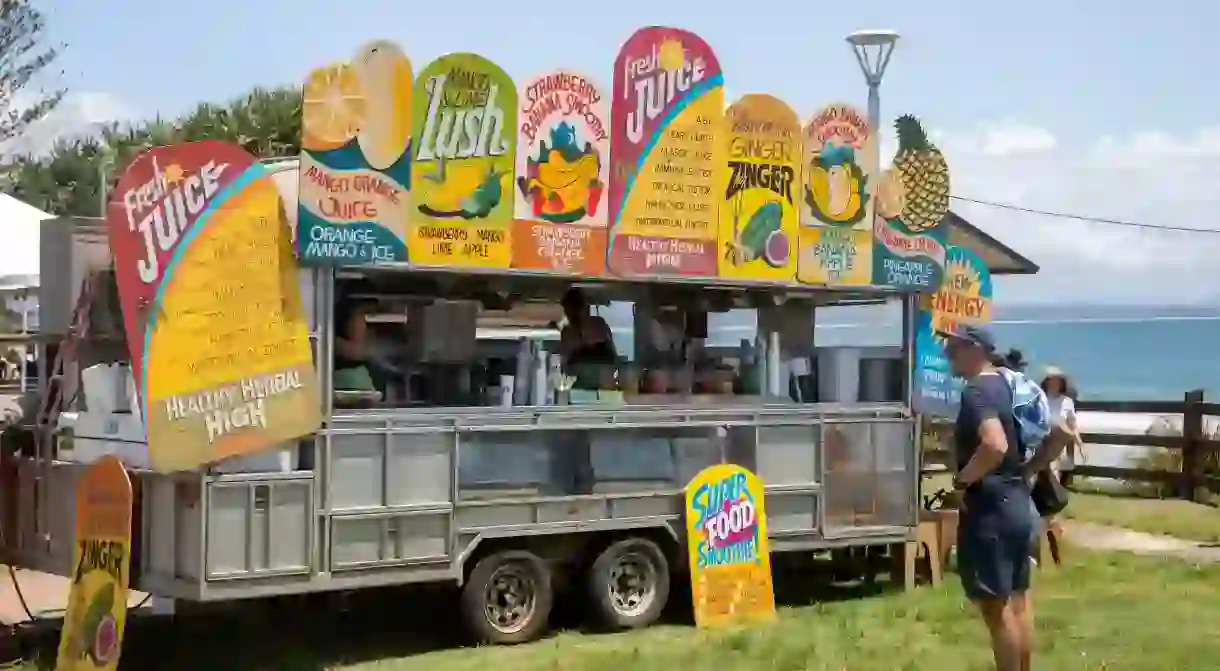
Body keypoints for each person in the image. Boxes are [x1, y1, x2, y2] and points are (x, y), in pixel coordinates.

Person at [942, 325, 1037, 671]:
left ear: (975, 349)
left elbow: (994, 444)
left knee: (997, 612)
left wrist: (962, 481)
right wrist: (1028, 471)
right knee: (1020, 600)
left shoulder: (977, 391)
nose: (946, 355)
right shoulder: (1015, 385)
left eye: (953, 348)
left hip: (990, 511)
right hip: (1018, 503)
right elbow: (1057, 431)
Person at [558, 288, 617, 389]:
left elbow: (612, 357)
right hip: (582, 384)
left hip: (603, 383)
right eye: (567, 311)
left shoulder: (599, 324)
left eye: (573, 309)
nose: (569, 315)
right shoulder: (567, 332)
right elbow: (566, 365)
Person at [1042, 366, 1082, 487]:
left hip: (1059, 442)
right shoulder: (1040, 398)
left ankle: (1053, 496)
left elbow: (1072, 424)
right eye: (1050, 380)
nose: (1053, 383)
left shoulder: (1067, 401)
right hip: (1041, 439)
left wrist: (1079, 442)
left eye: (1056, 380)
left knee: (1055, 470)